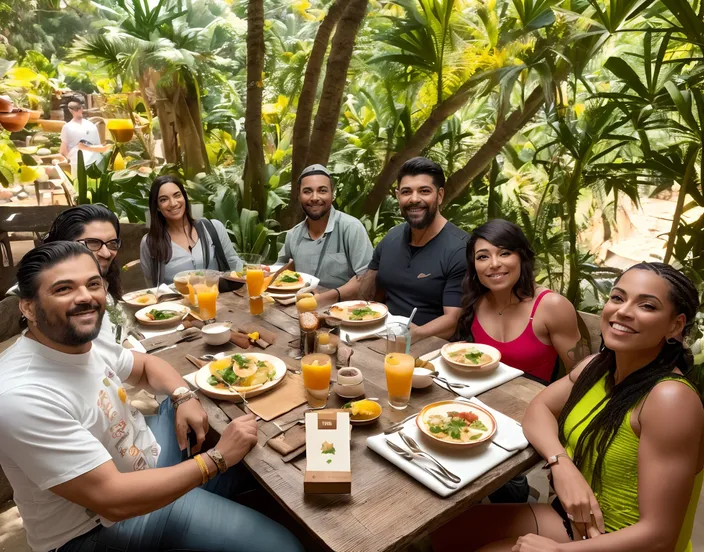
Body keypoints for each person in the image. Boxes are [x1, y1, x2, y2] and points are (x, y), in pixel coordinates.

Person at [0, 242, 303, 552]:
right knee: (284, 546)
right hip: (99, 524)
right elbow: (112, 499)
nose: (85, 297)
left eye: (92, 284)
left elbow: (145, 366)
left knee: (230, 439)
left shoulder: (78, 337)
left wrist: (183, 397)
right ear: (28, 307)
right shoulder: (21, 395)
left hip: (145, 459)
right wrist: (215, 459)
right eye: (63, 288)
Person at [433, 262, 704, 552]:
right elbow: (538, 409)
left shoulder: (669, 399)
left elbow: (659, 536)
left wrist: (559, 551)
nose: (623, 311)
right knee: (441, 533)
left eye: (647, 306)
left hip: (619, 542)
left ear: (675, 324)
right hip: (570, 521)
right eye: (617, 297)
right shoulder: (597, 367)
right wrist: (561, 464)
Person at [455, 220, 582, 383]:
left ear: (522, 257)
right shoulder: (476, 302)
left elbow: (580, 374)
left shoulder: (552, 306)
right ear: (474, 265)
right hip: (477, 399)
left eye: (505, 253)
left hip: (532, 402)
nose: (494, 264)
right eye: (483, 256)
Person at [359, 157, 468, 340]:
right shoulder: (391, 237)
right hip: (380, 337)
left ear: (439, 195)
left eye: (424, 191)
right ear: (397, 196)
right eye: (406, 192)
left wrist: (412, 335)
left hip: (430, 348)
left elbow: (453, 320)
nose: (414, 199)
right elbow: (368, 291)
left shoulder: (460, 249)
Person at [5, 204, 125, 350]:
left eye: (112, 243)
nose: (106, 253)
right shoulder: (32, 294)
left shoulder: (105, 277)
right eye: (92, 243)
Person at [277, 164, 373, 304]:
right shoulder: (293, 235)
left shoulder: (351, 228)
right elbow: (280, 268)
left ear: (332, 195)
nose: (315, 197)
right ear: (299, 196)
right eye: (307, 191)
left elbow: (366, 278)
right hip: (300, 309)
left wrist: (323, 299)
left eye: (322, 190)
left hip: (345, 312)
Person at [140, 175, 243, 286]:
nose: (173, 203)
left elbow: (235, 264)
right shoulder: (150, 242)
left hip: (215, 300)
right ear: (157, 207)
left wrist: (255, 271)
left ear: (184, 197)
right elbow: (151, 285)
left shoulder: (214, 228)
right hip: (176, 302)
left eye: (177, 195)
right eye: (164, 199)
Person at [59, 101, 110, 176]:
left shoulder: (91, 126)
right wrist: (68, 159)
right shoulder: (67, 127)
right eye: (75, 109)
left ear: (82, 109)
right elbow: (63, 149)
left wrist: (86, 147)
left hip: (93, 159)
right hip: (77, 159)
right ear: (71, 110)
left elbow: (99, 146)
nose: (77, 111)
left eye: (78, 109)